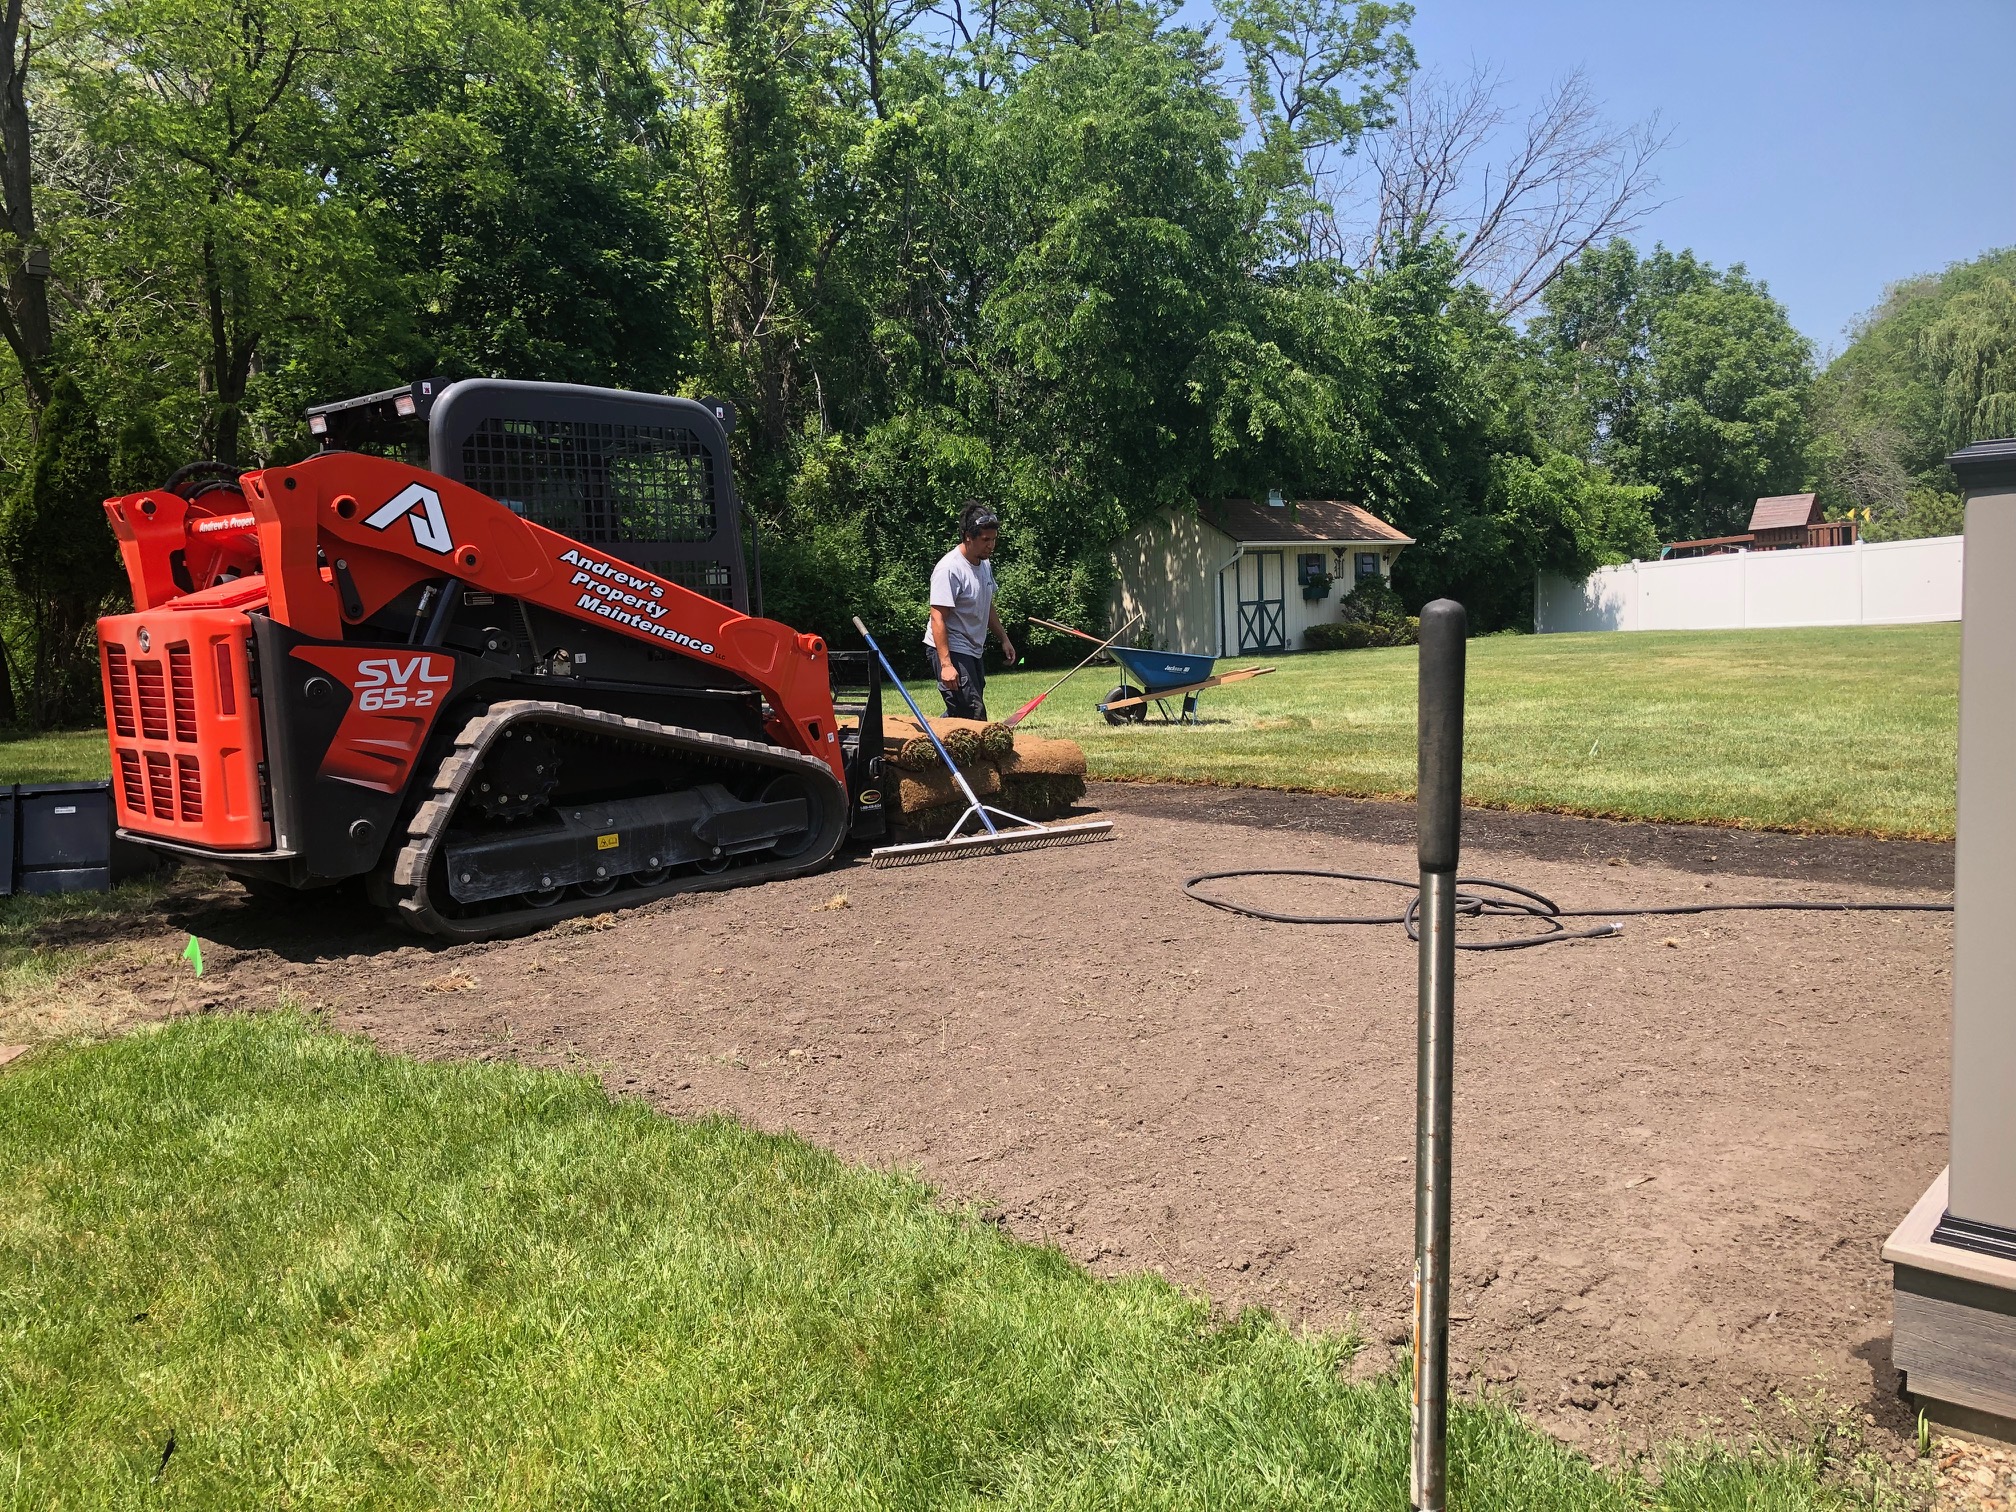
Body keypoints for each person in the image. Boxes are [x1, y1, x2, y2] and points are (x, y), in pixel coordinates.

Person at [923, 502, 1016, 720]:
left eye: (994, 539)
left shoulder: (984, 564)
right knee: (973, 714)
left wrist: (1004, 638)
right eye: (985, 540)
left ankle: (933, 741)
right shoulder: (949, 569)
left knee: (963, 712)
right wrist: (946, 665)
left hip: (973, 650)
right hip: (951, 648)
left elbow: (987, 603)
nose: (991, 545)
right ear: (968, 537)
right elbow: (937, 617)